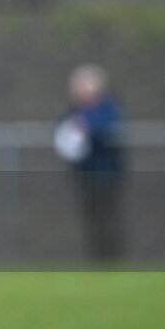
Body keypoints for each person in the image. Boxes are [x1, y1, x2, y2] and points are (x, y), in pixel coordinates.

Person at [54, 64, 126, 261]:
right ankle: (95, 259)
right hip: (84, 173)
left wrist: (88, 129)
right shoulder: (73, 112)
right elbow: (64, 132)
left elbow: (108, 131)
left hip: (106, 173)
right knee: (90, 217)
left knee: (108, 217)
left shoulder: (108, 110)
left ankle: (112, 259)